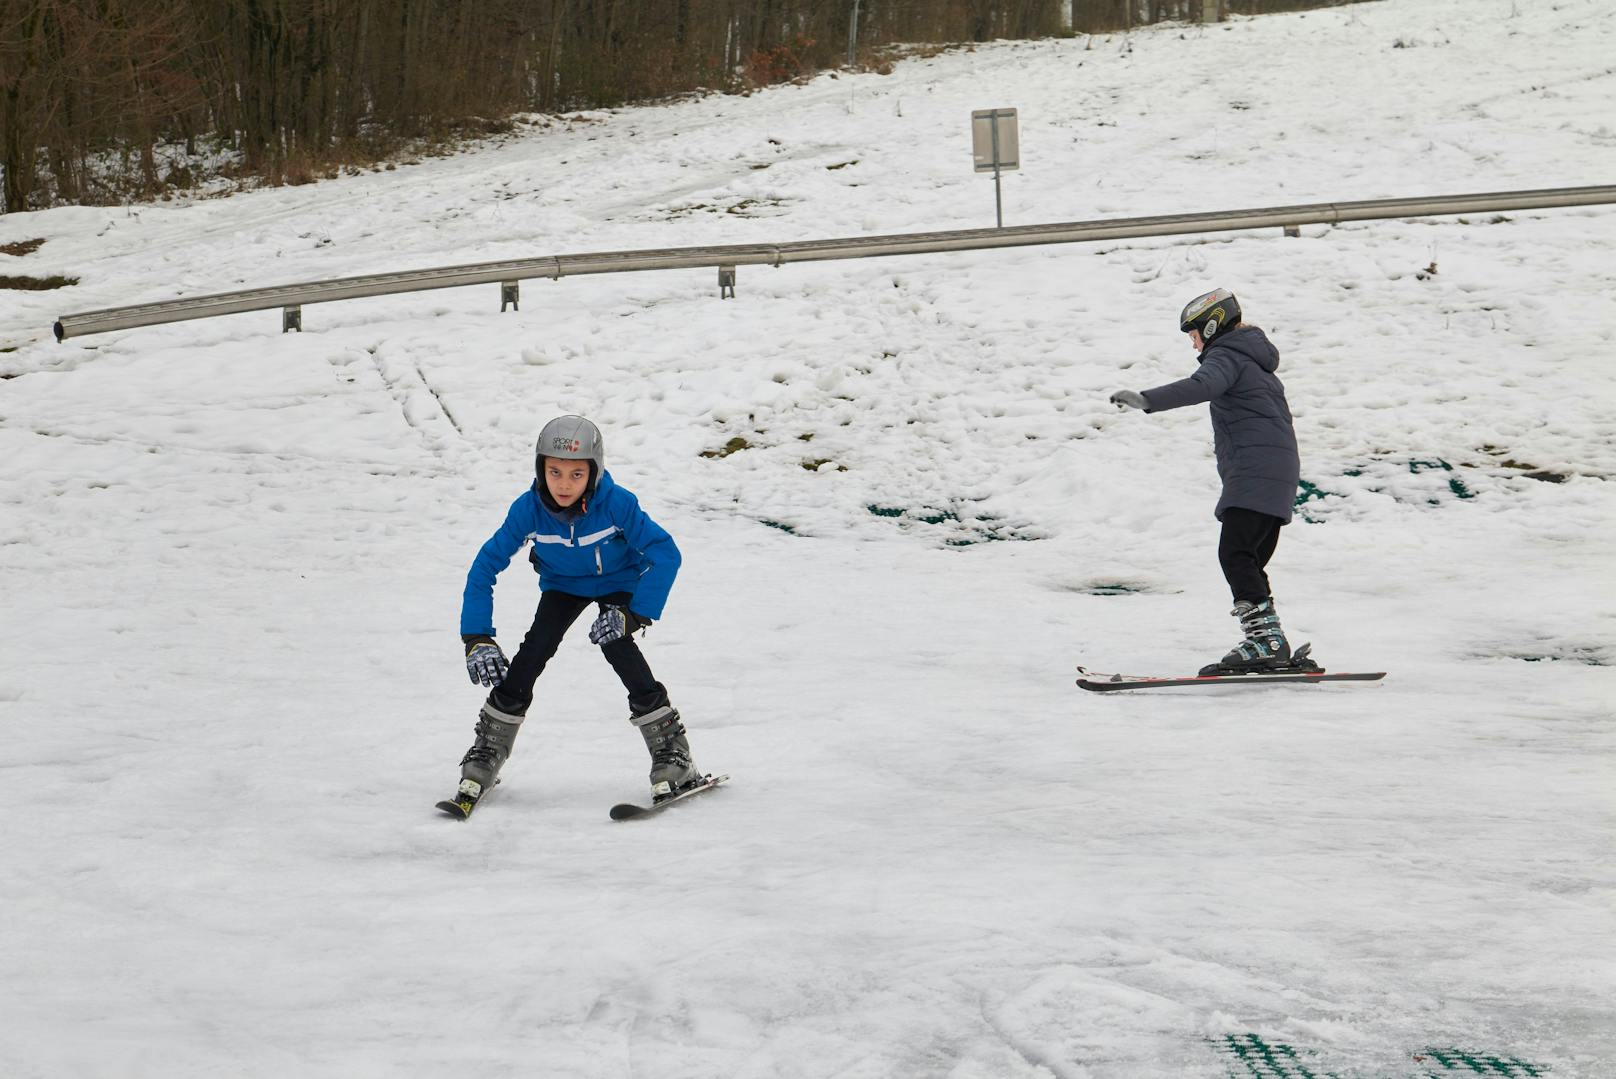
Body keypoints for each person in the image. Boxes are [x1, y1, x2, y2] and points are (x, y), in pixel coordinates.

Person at [453, 414, 701, 807]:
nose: (563, 484)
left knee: (616, 644)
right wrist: (477, 636)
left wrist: (634, 614)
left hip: (619, 580)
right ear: (540, 469)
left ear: (594, 473)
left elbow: (665, 554)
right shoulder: (527, 510)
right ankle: (488, 750)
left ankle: (674, 752)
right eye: (554, 472)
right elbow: (484, 567)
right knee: (534, 651)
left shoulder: (617, 504)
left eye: (575, 474)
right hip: (563, 585)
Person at [1109, 288, 1308, 675]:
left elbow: (1201, 386)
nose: (1194, 343)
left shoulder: (1227, 356)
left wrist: (1147, 399)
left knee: (1235, 555)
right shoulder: (1254, 362)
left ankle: (1266, 642)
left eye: (1194, 334)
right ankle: (1268, 640)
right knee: (1248, 560)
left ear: (1213, 325)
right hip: (1275, 474)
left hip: (1255, 472)